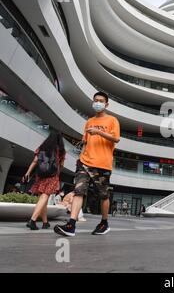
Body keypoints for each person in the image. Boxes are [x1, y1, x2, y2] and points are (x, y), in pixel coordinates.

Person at [54, 92, 120, 237]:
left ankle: (104, 223)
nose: (98, 103)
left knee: (103, 195)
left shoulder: (112, 120)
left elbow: (116, 138)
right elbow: (85, 141)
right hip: (84, 162)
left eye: (101, 101)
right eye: (95, 100)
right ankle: (71, 225)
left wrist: (98, 132)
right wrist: (81, 156)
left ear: (106, 104)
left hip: (102, 164)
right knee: (79, 191)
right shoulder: (89, 121)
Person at [23, 131, 65, 230]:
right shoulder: (61, 150)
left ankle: (45, 223)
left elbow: (35, 161)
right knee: (45, 196)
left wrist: (27, 173)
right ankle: (32, 220)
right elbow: (61, 165)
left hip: (40, 175)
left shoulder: (42, 147)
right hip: (52, 176)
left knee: (43, 199)